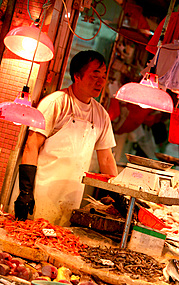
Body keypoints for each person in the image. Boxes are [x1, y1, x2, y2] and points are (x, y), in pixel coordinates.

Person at [14, 50, 118, 226]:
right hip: (40, 193)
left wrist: (117, 195)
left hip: (72, 198)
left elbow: (106, 158)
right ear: (77, 76)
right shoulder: (56, 103)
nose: (101, 81)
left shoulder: (101, 114)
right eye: (95, 75)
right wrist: (25, 192)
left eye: (104, 75)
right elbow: (32, 145)